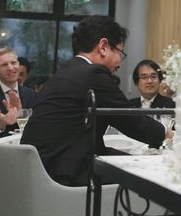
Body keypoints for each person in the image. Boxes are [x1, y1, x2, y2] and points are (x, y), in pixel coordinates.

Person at [21, 15, 170, 186]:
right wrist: (168, 134)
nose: (120, 63)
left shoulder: (65, 71)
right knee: (152, 174)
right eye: (120, 52)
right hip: (63, 176)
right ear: (103, 47)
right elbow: (132, 121)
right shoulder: (93, 74)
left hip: (37, 172)